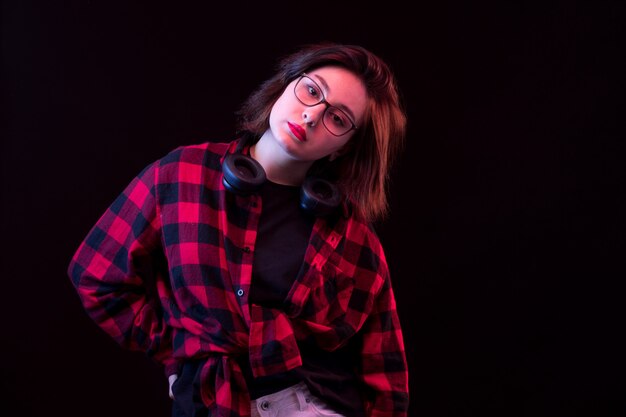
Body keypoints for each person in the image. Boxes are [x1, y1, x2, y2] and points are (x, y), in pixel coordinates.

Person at [67, 42, 409, 417]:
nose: (311, 116)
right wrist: (178, 350)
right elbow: (96, 275)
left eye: (338, 119)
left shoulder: (352, 233)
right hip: (213, 401)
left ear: (343, 148)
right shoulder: (181, 175)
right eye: (312, 91)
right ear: (285, 85)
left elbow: (384, 366)